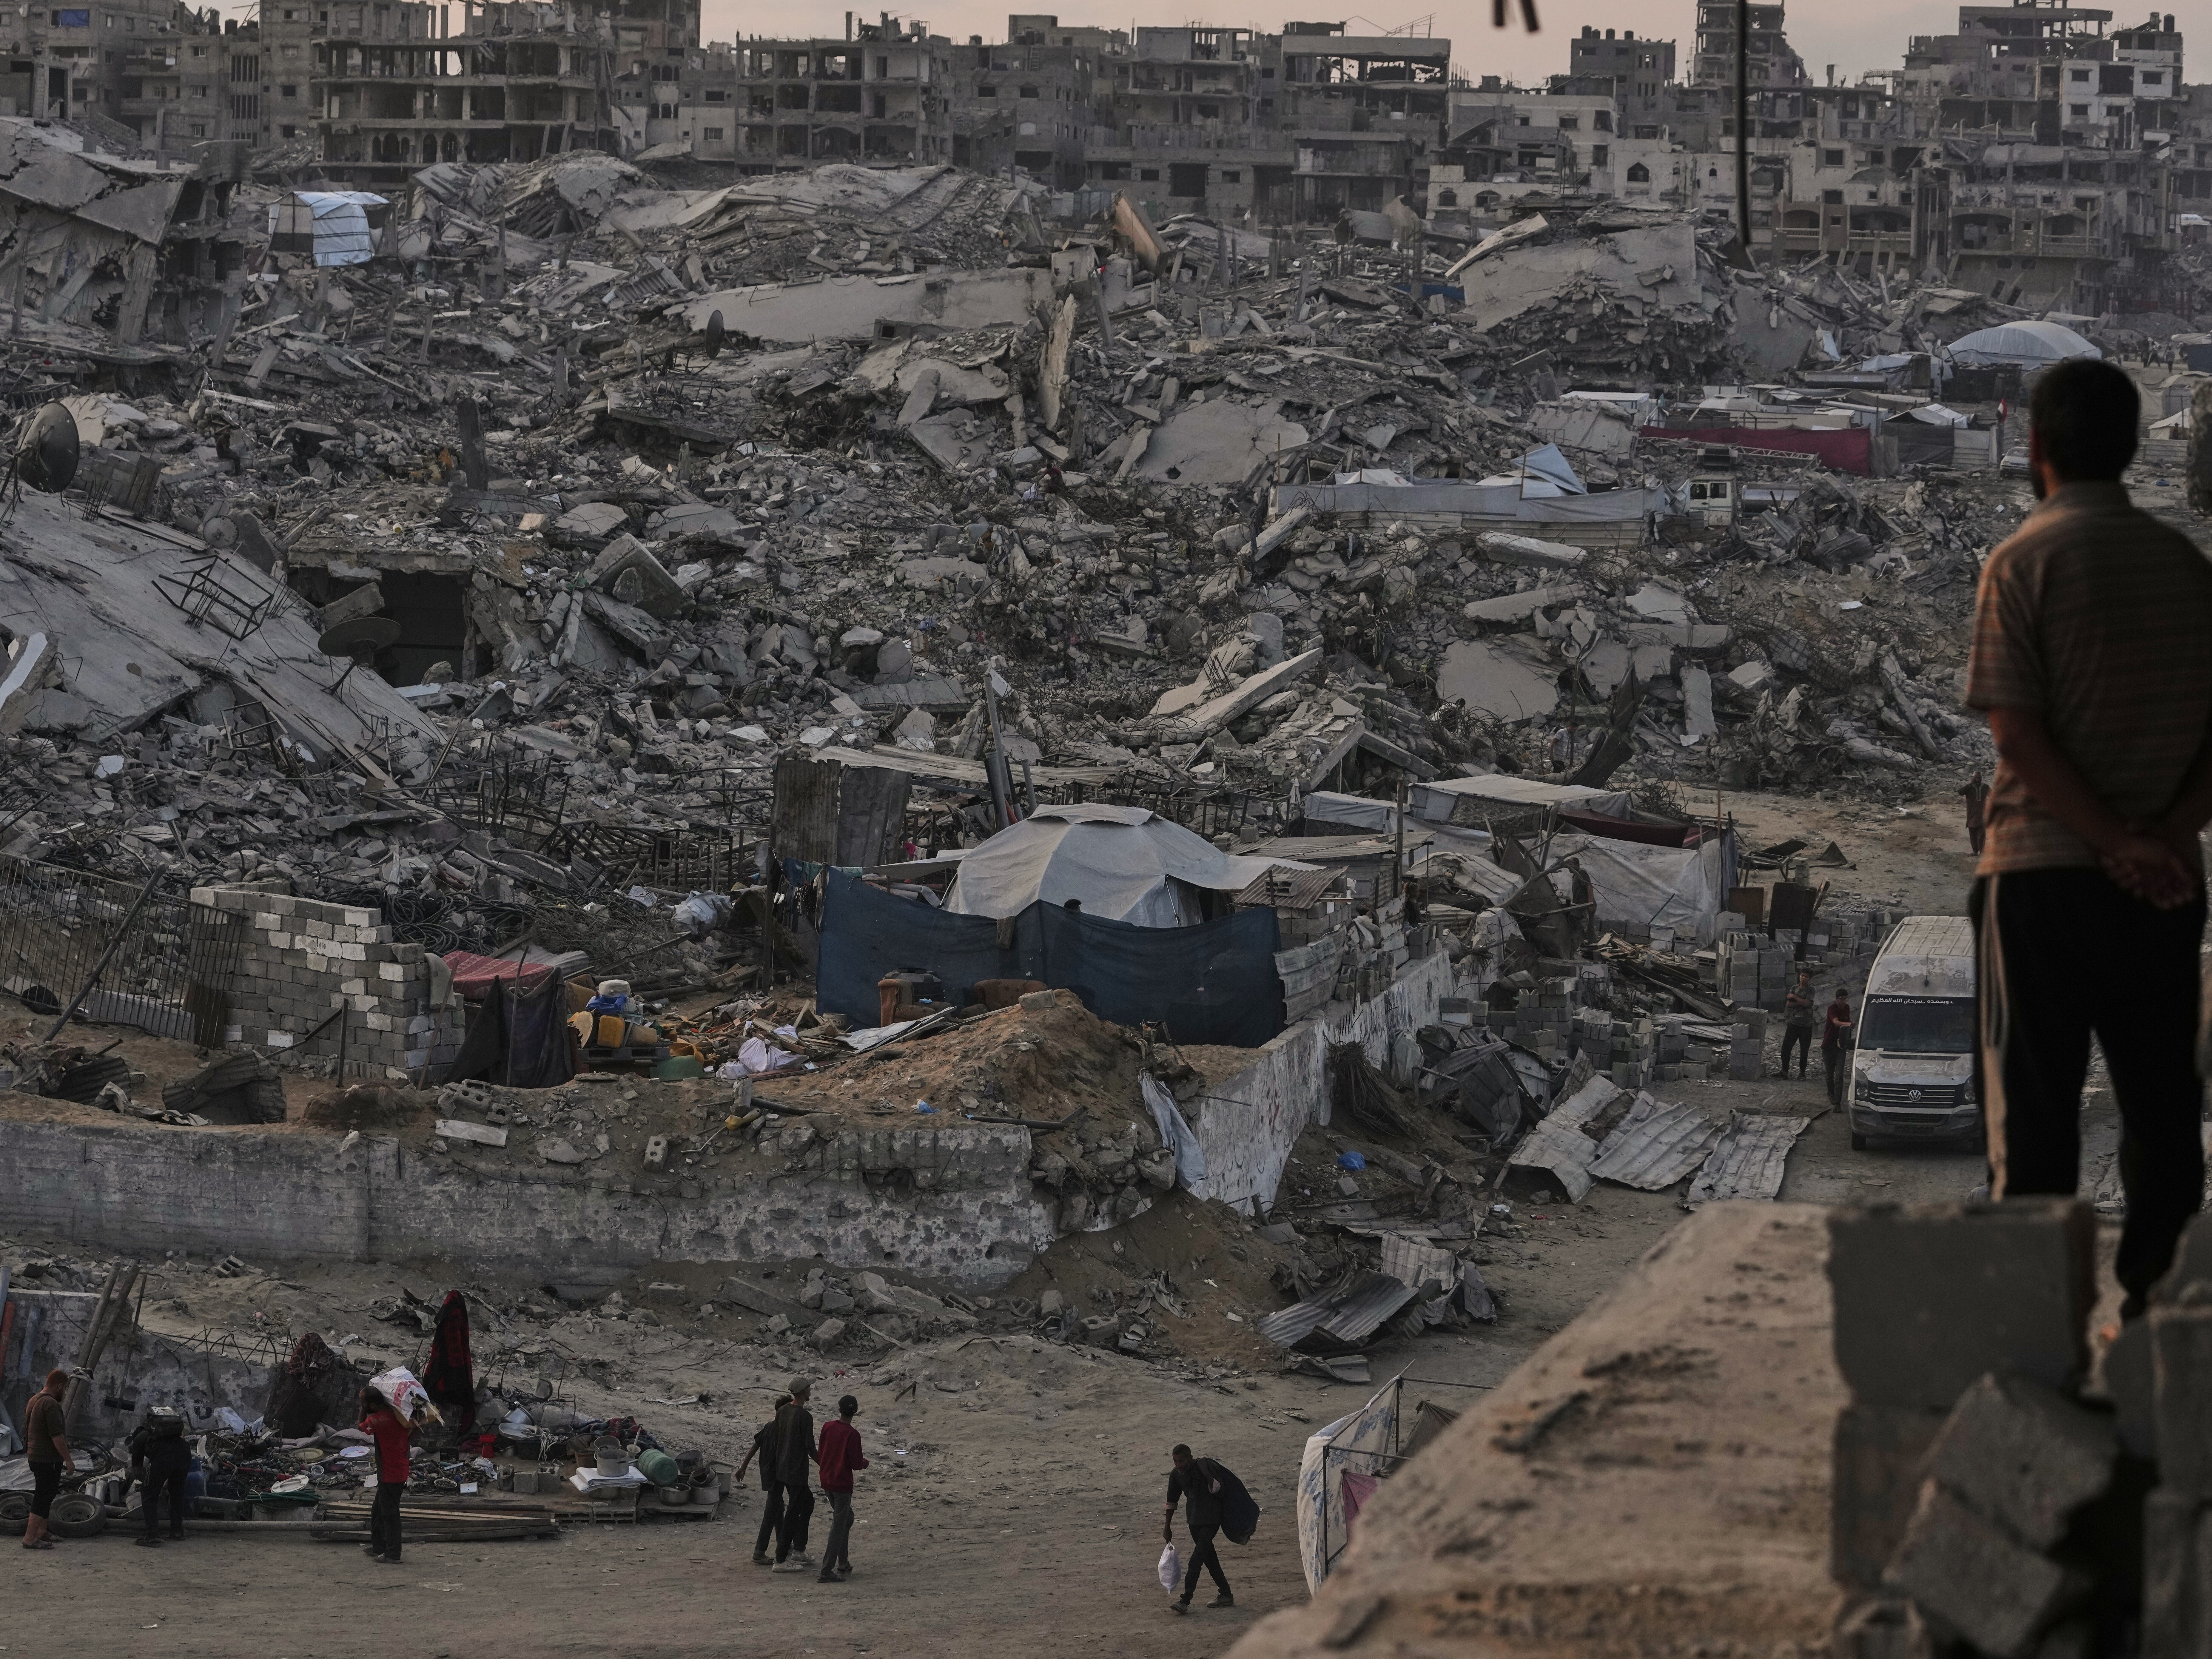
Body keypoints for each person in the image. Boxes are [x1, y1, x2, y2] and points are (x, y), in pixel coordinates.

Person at [1966, 356, 2212, 1319]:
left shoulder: (2020, 563)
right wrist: (2157, 840)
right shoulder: (2187, 572)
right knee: (2161, 1114)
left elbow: (2015, 737)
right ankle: (2157, 1322)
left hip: (2037, 883)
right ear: (2133, 449)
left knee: (2032, 1124)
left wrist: (2106, 837)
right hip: (2161, 890)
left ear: (2036, 449)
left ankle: (2039, 1340)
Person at [1164, 1444, 1234, 1614]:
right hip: (1194, 1521)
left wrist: (1206, 1473)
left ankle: (1185, 1600)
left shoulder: (1205, 1467)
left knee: (1196, 1561)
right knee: (1209, 1558)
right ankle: (1226, 1594)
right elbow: (1172, 1501)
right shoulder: (1176, 1474)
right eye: (1175, 1461)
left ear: (1190, 1458)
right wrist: (1167, 1527)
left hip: (1212, 1520)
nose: (1178, 1465)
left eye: (1181, 1461)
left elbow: (1219, 1490)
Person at [815, 1394, 869, 1584]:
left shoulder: (828, 1427)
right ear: (855, 1412)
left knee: (847, 1519)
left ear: (840, 1409)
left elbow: (821, 1452)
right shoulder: (852, 1434)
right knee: (839, 1526)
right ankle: (827, 1570)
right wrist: (865, 1463)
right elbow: (856, 1463)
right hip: (842, 1485)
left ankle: (843, 1562)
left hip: (827, 1480)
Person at [358, 1385, 414, 1564]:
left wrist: (362, 1409)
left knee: (390, 1514)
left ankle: (393, 1554)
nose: (362, 1405)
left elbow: (361, 1426)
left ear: (373, 1405)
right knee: (378, 1511)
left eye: (364, 1402)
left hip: (391, 1473)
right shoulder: (397, 1415)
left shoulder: (378, 1420)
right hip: (395, 1470)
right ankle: (379, 1547)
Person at [770, 1378, 818, 1572]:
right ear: (804, 1392)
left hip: (783, 1468)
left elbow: (778, 1439)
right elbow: (810, 1448)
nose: (811, 1391)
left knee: (807, 1503)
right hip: (797, 1471)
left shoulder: (783, 1411)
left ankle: (799, 1549)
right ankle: (781, 1559)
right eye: (809, 1388)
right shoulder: (805, 1417)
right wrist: (825, 1465)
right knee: (793, 1513)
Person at [21, 1369, 69, 1551]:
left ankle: (42, 1531)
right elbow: (57, 1436)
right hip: (48, 1459)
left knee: (47, 1494)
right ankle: (30, 1538)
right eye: (65, 1389)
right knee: (43, 1496)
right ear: (60, 1386)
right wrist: (69, 1460)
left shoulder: (34, 1400)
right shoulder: (51, 1404)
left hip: (35, 1456)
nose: (65, 1393)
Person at [129, 1407, 190, 1548]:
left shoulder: (140, 1439)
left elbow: (137, 1471)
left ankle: (152, 1536)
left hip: (162, 1457)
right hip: (184, 1453)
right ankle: (177, 1531)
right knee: (177, 1494)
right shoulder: (170, 1435)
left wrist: (150, 1485)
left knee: (149, 1496)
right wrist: (161, 1483)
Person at [741, 1392, 789, 1567]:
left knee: (777, 1508)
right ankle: (759, 1552)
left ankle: (783, 1544)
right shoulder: (783, 1430)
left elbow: (755, 1446)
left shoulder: (770, 1426)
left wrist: (743, 1467)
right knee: (771, 1511)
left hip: (768, 1473)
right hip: (776, 1475)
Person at [1821, 989, 1855, 1108]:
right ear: (1837, 999)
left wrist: (1851, 1024)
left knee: (1839, 1075)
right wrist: (1849, 1024)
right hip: (1829, 1046)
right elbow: (1836, 1022)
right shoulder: (1832, 1008)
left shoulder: (1847, 1008)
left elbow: (1847, 1021)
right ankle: (1831, 1094)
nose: (1844, 1002)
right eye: (1842, 999)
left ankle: (1837, 1102)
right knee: (1830, 1076)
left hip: (1841, 1046)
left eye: (1846, 999)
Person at [1779, 971, 1815, 1080]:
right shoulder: (1794, 988)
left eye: (1807, 977)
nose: (1804, 978)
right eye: (1803, 976)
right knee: (1786, 1048)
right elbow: (1789, 1004)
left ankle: (1802, 1073)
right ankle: (1785, 1071)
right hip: (1793, 1022)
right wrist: (1802, 1002)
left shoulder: (1811, 990)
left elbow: (1808, 1003)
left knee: (1804, 1050)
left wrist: (1795, 998)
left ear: (1809, 979)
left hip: (1806, 1024)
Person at [1960, 770, 1990, 856]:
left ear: (1982, 778)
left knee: (1982, 835)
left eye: (1979, 778)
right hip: (1972, 814)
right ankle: (1975, 851)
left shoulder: (1985, 787)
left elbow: (1993, 795)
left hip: (1982, 814)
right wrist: (1970, 785)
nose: (1978, 780)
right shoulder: (1969, 788)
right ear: (1973, 778)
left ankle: (1982, 852)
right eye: (1976, 778)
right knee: (1973, 834)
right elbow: (1961, 792)